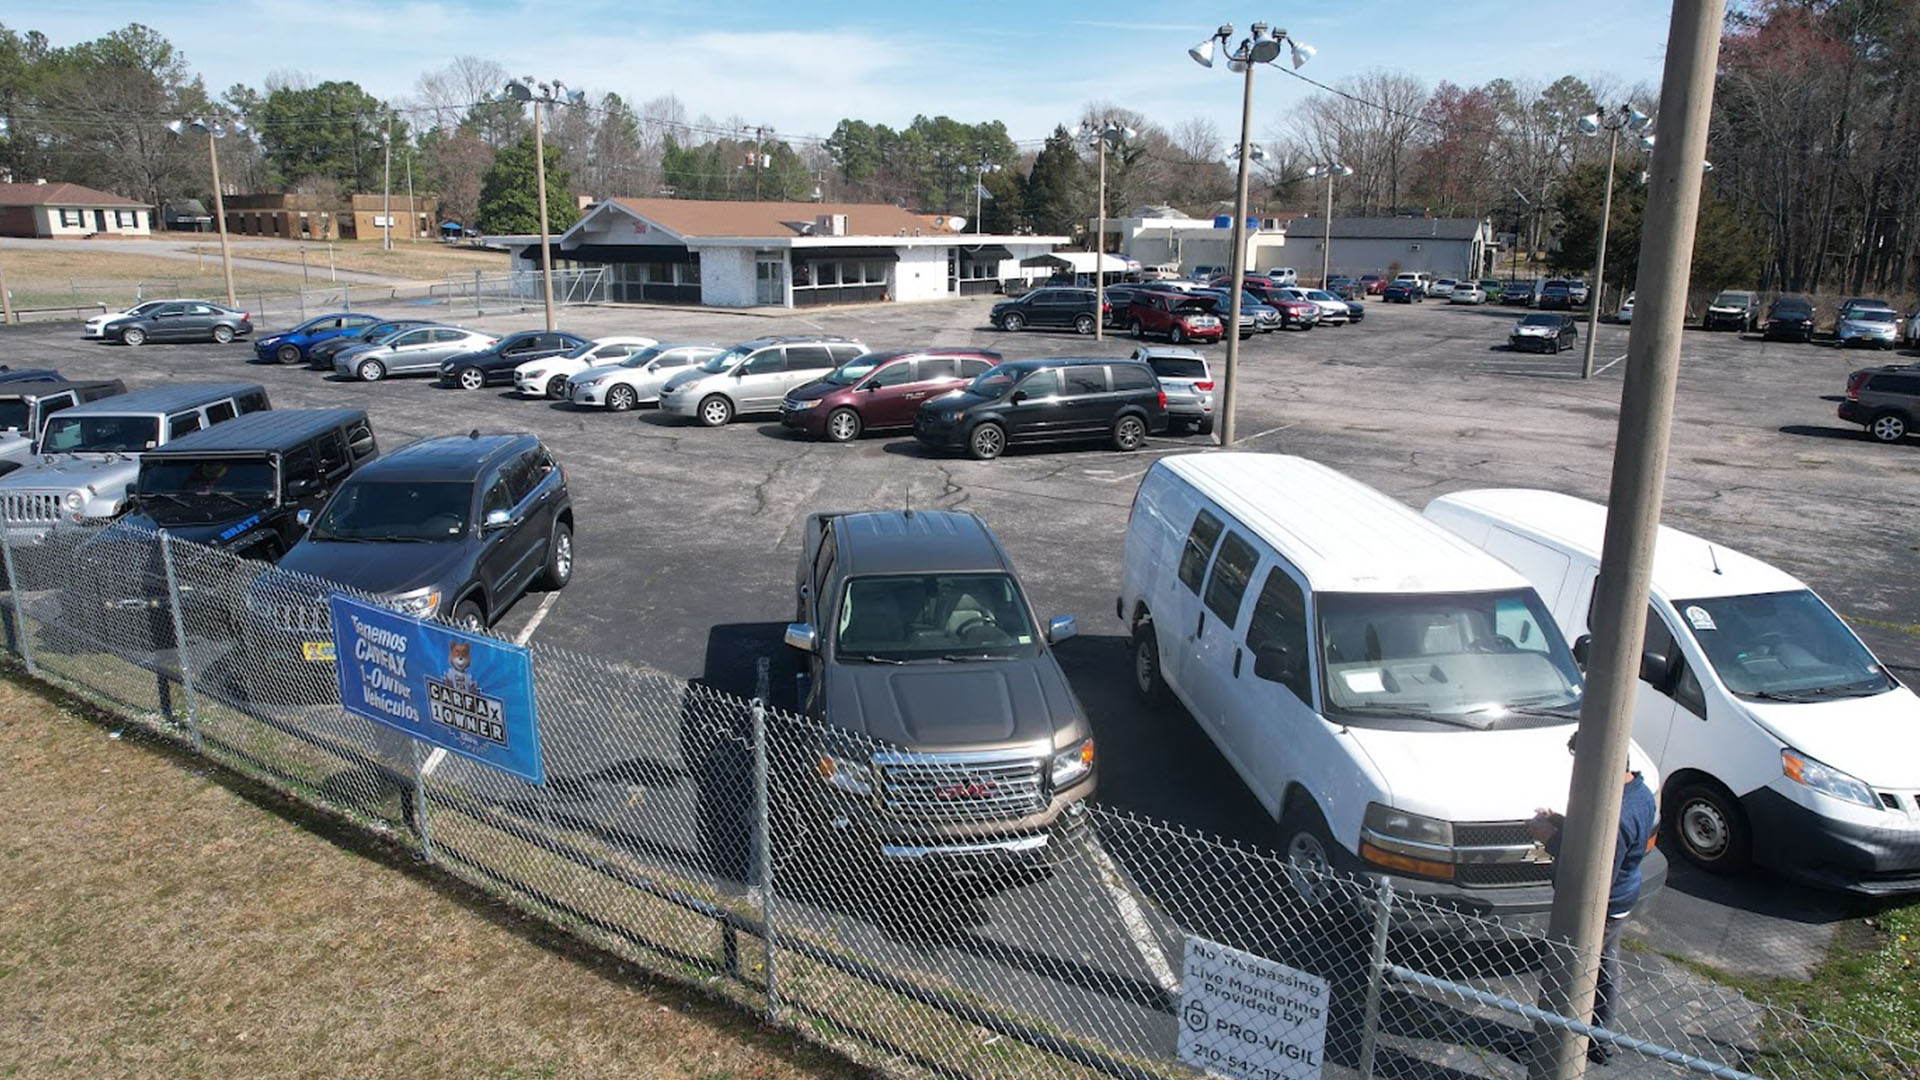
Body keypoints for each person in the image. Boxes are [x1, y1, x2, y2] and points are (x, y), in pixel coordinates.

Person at [1529, 735, 1658, 1065]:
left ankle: (1561, 1046)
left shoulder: (1614, 818)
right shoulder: (1639, 793)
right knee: (1604, 969)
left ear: (1605, 769)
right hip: (1621, 900)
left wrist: (1552, 840)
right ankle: (1599, 1040)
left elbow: (1595, 875)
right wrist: (1560, 821)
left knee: (1575, 974)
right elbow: (1597, 840)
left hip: (1603, 909)